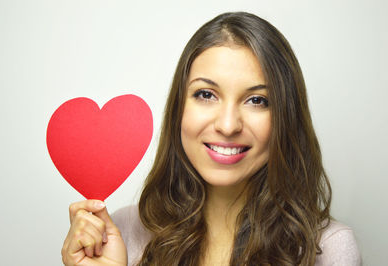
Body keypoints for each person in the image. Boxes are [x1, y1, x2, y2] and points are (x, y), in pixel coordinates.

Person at [61, 12, 361, 266]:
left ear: (286, 116)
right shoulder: (123, 231)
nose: (228, 125)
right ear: (180, 107)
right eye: (206, 94)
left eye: (257, 100)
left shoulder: (330, 249)